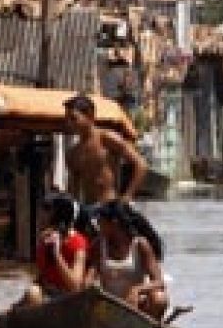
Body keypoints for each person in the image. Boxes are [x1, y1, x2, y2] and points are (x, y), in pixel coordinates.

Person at [62, 93, 163, 259]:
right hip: (88, 210)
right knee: (86, 255)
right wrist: (70, 212)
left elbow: (141, 165)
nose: (70, 124)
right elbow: (73, 188)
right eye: (67, 119)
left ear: (90, 116)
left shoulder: (107, 138)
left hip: (112, 209)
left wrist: (127, 196)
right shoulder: (73, 153)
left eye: (74, 118)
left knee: (125, 252)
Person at [92, 199, 169, 321]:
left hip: (135, 305)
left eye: (100, 221)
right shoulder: (98, 245)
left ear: (114, 223)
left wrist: (137, 289)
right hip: (108, 304)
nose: (97, 225)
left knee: (159, 298)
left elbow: (159, 282)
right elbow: (91, 275)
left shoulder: (140, 244)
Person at [20, 193, 89, 306]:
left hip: (68, 299)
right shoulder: (45, 239)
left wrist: (57, 255)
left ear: (57, 215)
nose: (40, 218)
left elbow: (75, 286)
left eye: (46, 212)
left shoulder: (77, 242)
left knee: (33, 293)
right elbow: (42, 277)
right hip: (48, 294)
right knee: (32, 293)